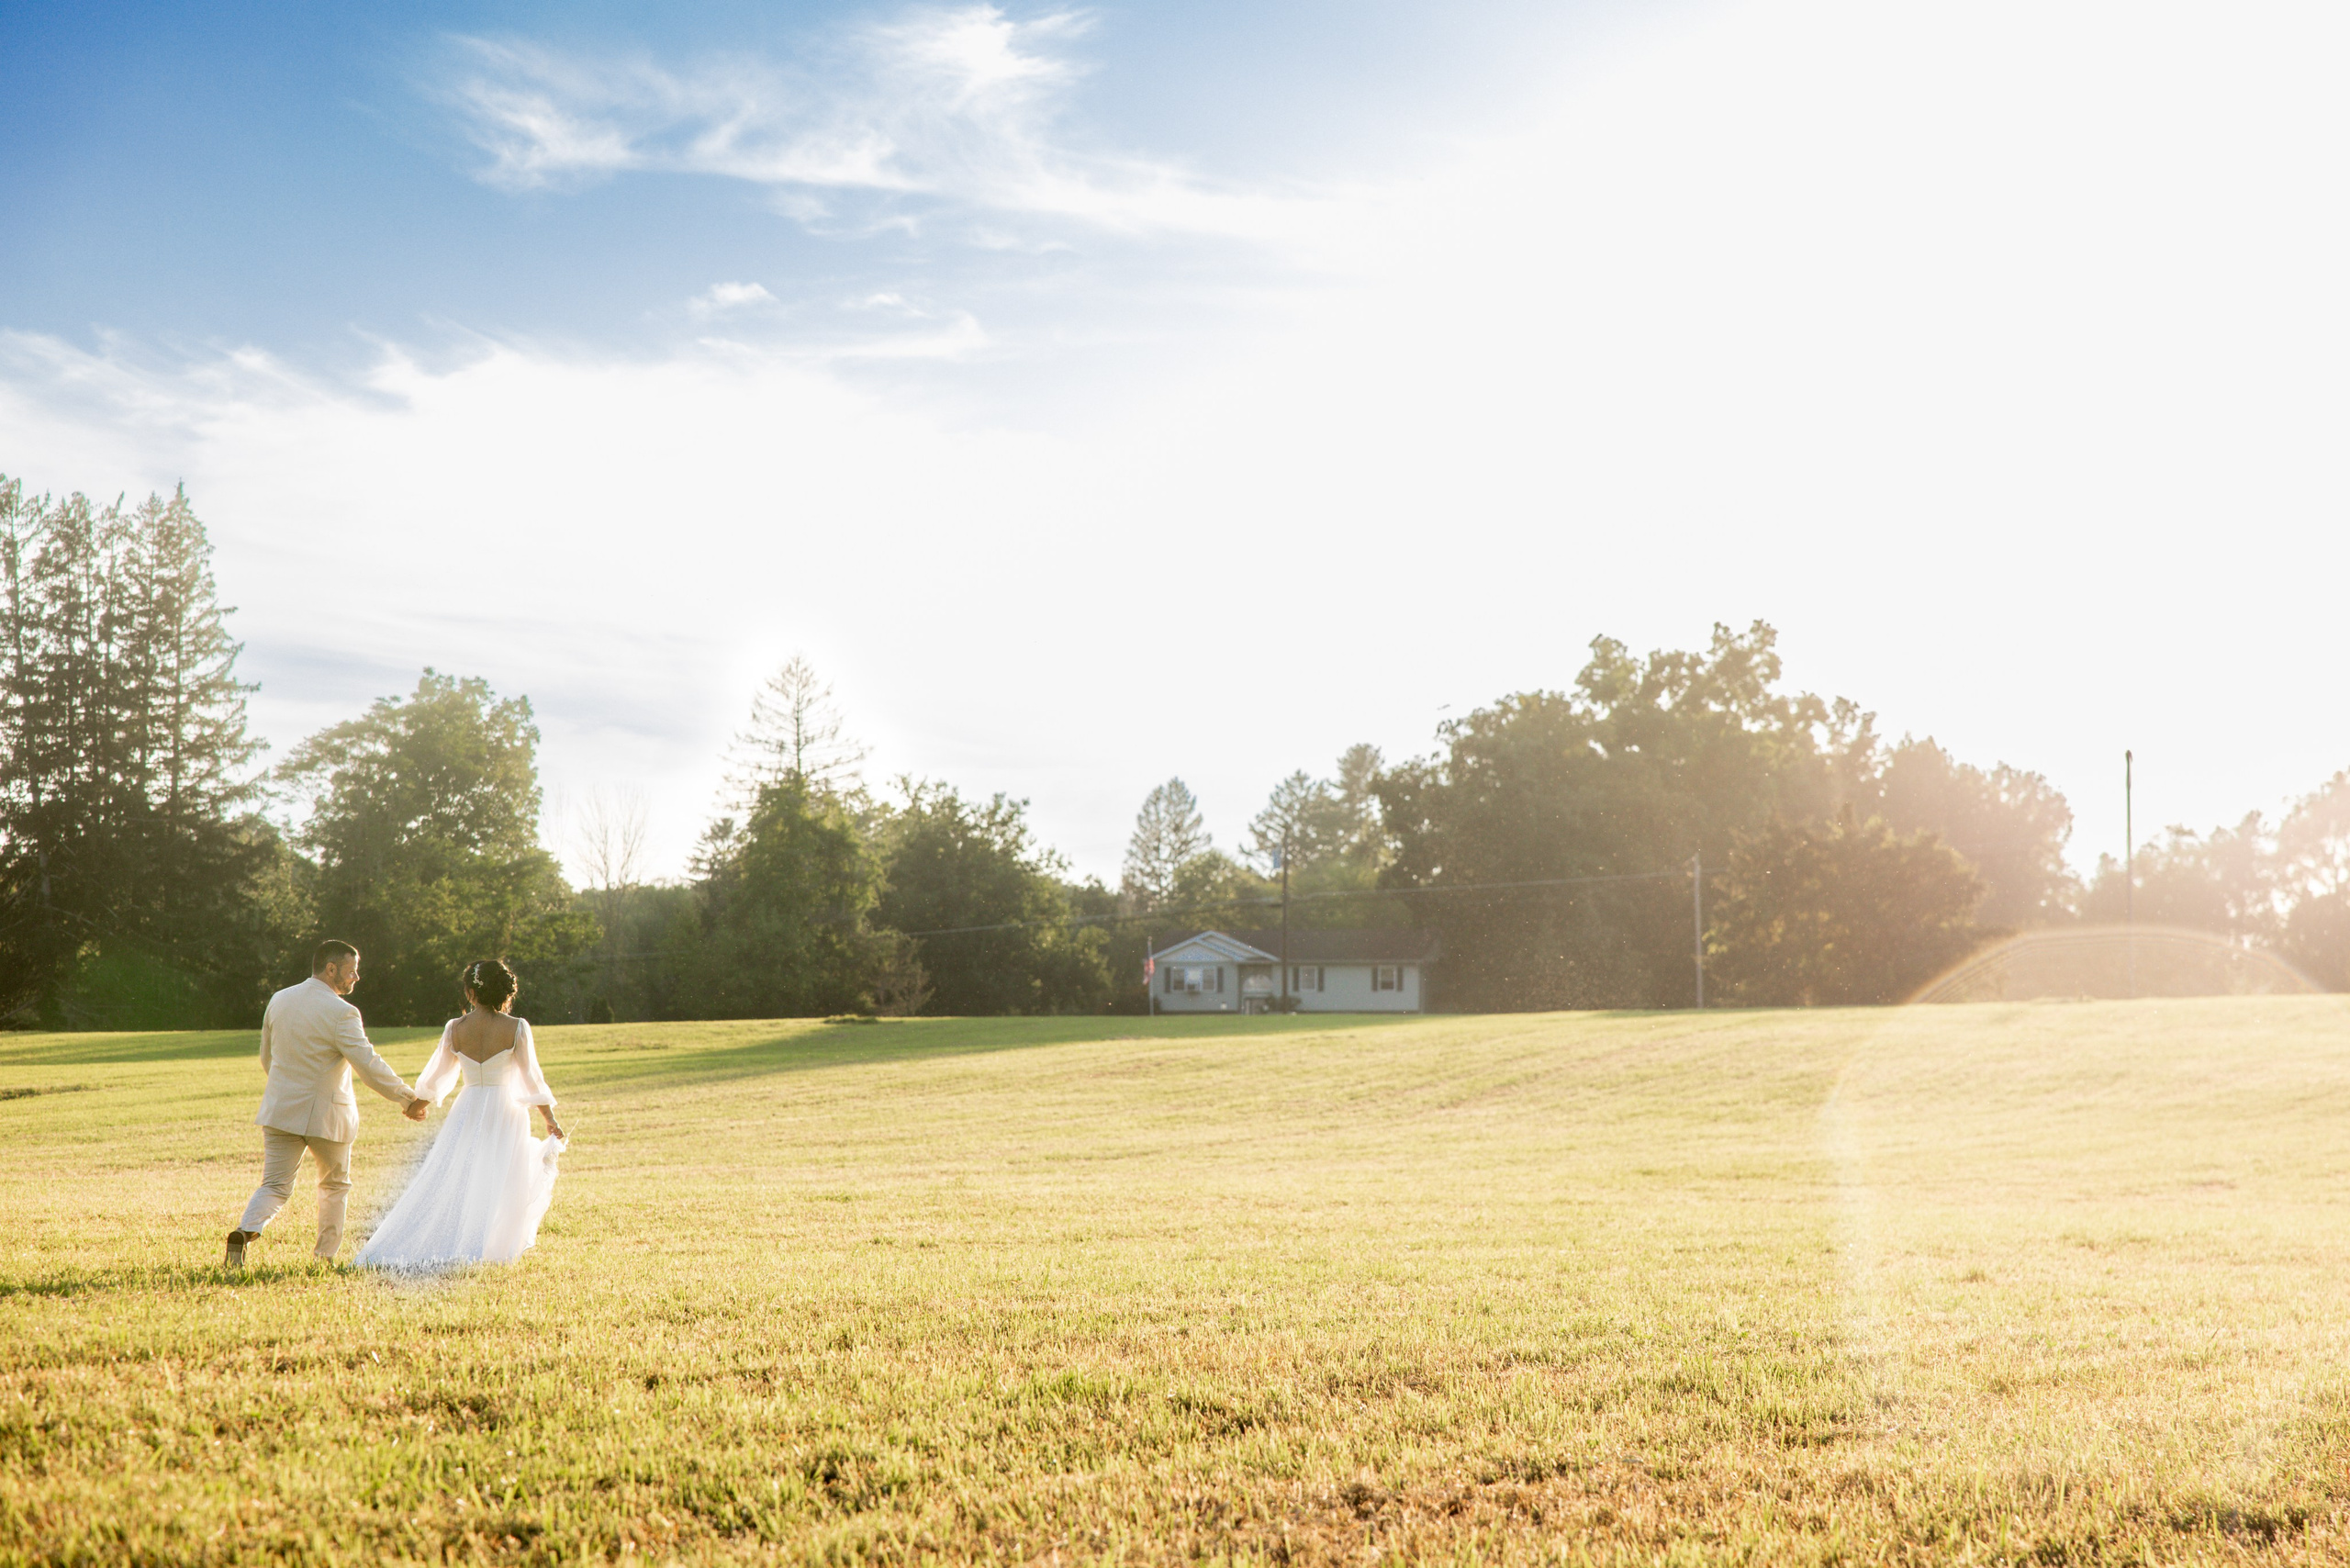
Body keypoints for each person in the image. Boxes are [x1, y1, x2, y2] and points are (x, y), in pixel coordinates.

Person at [225, 941, 430, 1269]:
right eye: (352, 971)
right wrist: (407, 1098)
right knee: (335, 1186)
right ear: (331, 969)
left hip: (280, 1110)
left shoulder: (280, 999)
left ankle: (245, 1230)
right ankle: (324, 1259)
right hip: (328, 1116)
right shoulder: (342, 1012)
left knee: (275, 1185)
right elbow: (368, 1064)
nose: (357, 977)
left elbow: (268, 1057)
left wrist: (286, 1087)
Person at [354, 959, 567, 1271]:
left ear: (470, 994)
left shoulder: (456, 1028)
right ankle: (489, 1242)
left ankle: (460, 1236)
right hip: (506, 1109)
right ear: (503, 993)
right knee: (499, 1175)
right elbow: (532, 1078)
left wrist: (417, 1105)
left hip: (468, 1107)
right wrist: (549, 1117)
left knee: (462, 1172)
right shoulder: (517, 1027)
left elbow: (436, 1075)